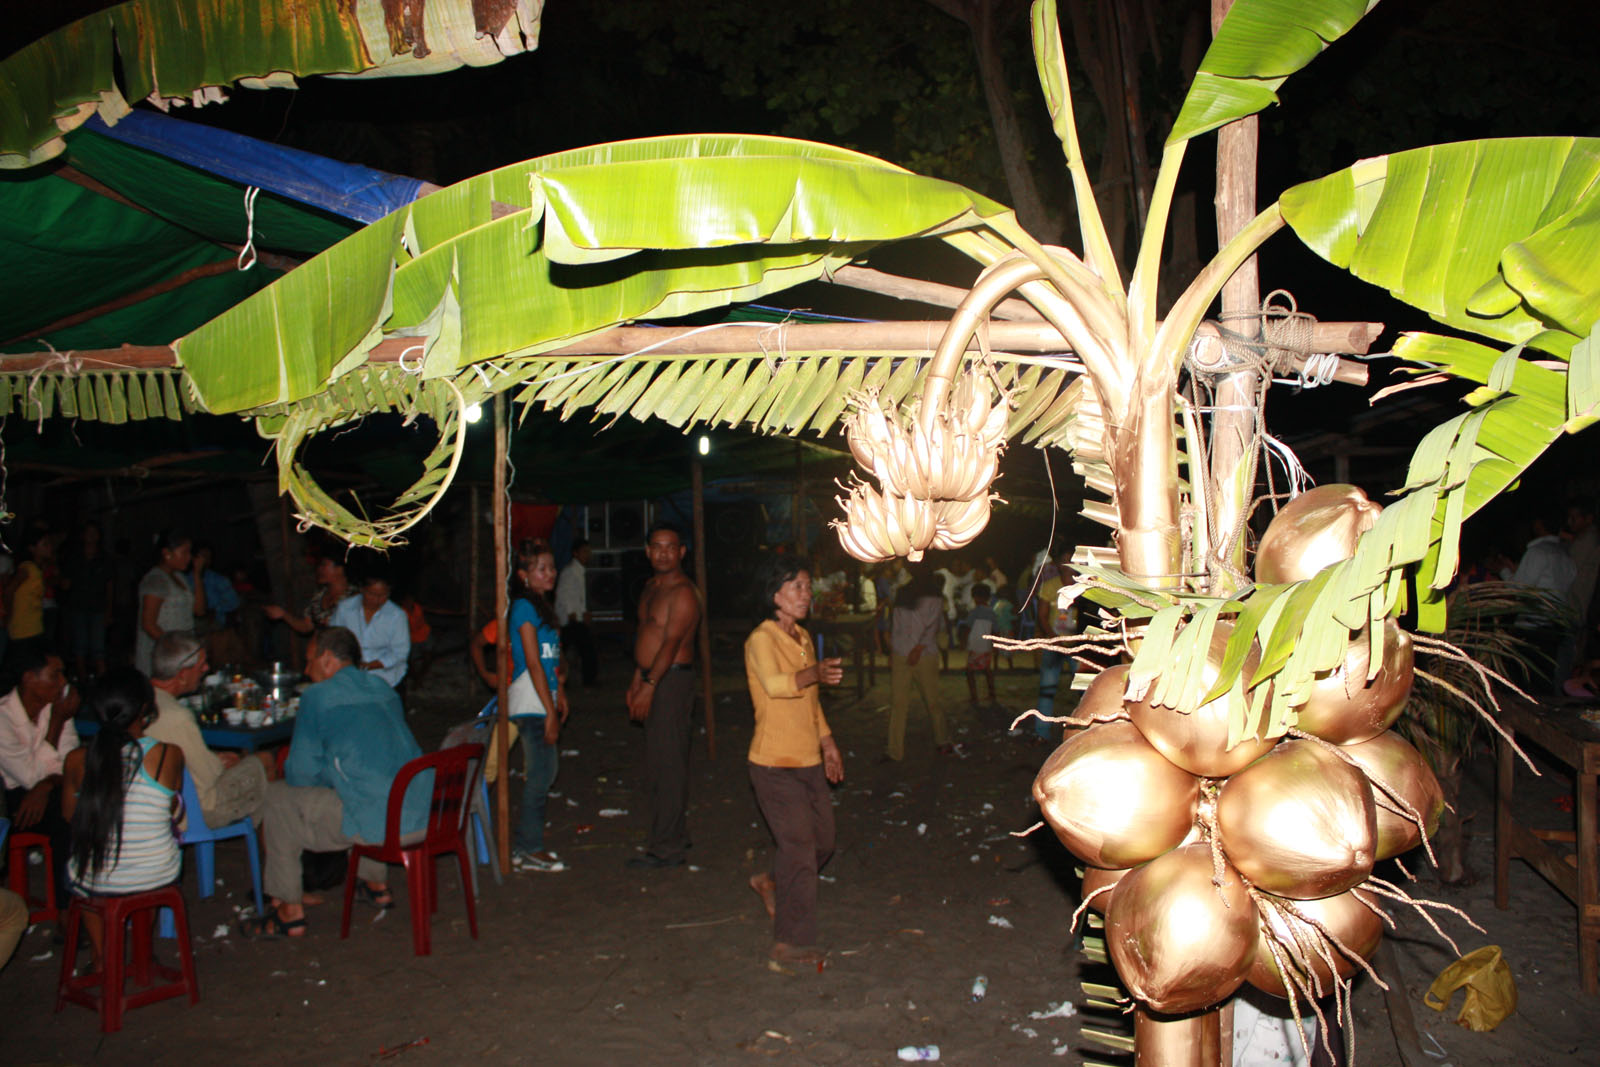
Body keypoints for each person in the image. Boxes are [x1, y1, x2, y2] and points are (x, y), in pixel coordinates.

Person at [242, 627, 425, 939]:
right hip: (423, 812)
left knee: (276, 798)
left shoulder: (317, 696)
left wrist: (327, 771)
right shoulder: (384, 690)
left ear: (327, 660)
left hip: (385, 825)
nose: (305, 669)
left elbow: (300, 773)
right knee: (362, 787)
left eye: (310, 660)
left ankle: (289, 912)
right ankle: (375, 884)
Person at [743, 555, 844, 966]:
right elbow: (778, 685)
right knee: (800, 848)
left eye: (807, 586)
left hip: (807, 761)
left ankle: (772, 882)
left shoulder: (802, 637)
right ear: (775, 593)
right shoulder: (761, 639)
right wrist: (813, 674)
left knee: (824, 842)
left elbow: (809, 701)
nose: (807, 594)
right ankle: (789, 943)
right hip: (772, 763)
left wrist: (828, 743)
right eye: (798, 586)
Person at [61, 669, 184, 973]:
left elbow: (68, 816)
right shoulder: (167, 754)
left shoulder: (78, 759)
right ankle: (143, 950)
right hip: (155, 872)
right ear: (144, 708)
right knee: (156, 845)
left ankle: (102, 958)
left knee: (84, 864)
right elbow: (173, 810)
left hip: (97, 880)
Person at [624, 523, 701, 869]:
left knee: (667, 764)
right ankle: (675, 834)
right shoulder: (651, 588)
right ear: (647, 551)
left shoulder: (683, 593)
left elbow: (670, 644)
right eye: (657, 546)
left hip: (670, 682)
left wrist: (651, 685)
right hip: (653, 677)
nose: (664, 553)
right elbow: (646, 636)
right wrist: (636, 679)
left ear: (682, 552)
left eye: (671, 547)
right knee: (660, 762)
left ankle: (666, 848)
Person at [144, 632, 275, 828]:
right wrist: (222, 762)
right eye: (201, 666)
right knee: (264, 760)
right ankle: (266, 847)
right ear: (182, 675)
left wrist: (215, 757)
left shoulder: (139, 699)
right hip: (190, 809)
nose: (206, 669)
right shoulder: (176, 716)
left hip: (152, 799)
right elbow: (208, 774)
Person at [0, 648, 81, 912]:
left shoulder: (53, 707)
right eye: (55, 675)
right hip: (9, 802)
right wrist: (57, 721)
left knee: (72, 810)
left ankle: (72, 904)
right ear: (29, 679)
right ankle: (66, 910)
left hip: (51, 790)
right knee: (67, 817)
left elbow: (70, 763)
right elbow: (28, 775)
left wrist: (46, 785)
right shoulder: (3, 717)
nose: (63, 683)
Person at [506, 540, 570, 872]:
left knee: (543, 773)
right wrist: (549, 712)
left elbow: (548, 661)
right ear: (523, 575)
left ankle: (523, 848)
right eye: (541, 569)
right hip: (530, 698)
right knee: (541, 773)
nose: (550, 574)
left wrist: (560, 693)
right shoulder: (523, 608)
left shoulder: (542, 607)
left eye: (552, 567)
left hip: (542, 694)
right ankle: (529, 847)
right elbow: (531, 662)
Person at [886, 571, 949, 760]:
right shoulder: (907, 591)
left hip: (920, 653)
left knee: (930, 702)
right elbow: (898, 624)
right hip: (908, 652)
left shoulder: (926, 593)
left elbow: (932, 626)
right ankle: (894, 751)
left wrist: (915, 648)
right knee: (900, 704)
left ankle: (942, 740)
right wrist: (897, 649)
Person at [134, 531, 207, 677]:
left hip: (182, 649)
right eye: (184, 552)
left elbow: (199, 610)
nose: (189, 557)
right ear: (167, 553)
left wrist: (197, 575)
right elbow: (148, 624)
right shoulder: (155, 580)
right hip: (165, 653)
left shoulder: (181, 578)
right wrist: (173, 649)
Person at [1032, 547, 1081, 743]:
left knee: (1085, 690)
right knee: (1047, 689)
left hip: (1078, 646)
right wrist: (1055, 638)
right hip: (1054, 645)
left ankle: (1085, 731)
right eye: (1065, 560)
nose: (1068, 565)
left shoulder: (1083, 587)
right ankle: (1041, 732)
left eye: (1072, 560)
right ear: (1058, 565)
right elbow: (1042, 617)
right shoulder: (1050, 586)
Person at [329, 572, 410, 689]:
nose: (377, 600)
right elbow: (334, 637)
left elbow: (400, 652)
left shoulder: (397, 616)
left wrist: (368, 666)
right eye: (372, 594)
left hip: (386, 675)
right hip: (349, 670)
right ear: (362, 589)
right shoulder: (345, 608)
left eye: (383, 595)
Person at [59, 521, 113, 679]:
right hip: (77, 606)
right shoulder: (74, 557)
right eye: (88, 532)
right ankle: (82, 679)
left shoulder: (104, 558)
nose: (91, 536)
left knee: (98, 647)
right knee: (79, 646)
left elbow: (110, 585)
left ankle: (103, 680)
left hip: (98, 607)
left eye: (94, 532)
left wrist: (109, 610)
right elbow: (64, 581)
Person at [4, 528, 52, 678]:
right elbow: (9, 590)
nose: (49, 547)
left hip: (34, 627)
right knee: (27, 673)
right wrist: (8, 614)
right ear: (32, 548)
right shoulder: (26, 568)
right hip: (24, 630)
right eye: (44, 544)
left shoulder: (36, 569)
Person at [263, 554, 350, 636]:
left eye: (324, 565)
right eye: (320, 565)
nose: (319, 569)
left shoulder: (353, 596)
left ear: (339, 569)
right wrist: (283, 614)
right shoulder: (320, 596)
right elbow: (307, 626)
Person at [555, 539, 599, 687]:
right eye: (584, 551)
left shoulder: (579, 571)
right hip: (570, 618)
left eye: (588, 552)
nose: (588, 555)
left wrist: (584, 612)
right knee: (584, 649)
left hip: (576, 617)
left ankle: (583, 679)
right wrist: (572, 613)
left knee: (576, 648)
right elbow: (564, 594)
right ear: (575, 553)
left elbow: (579, 596)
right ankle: (587, 680)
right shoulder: (570, 571)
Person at [960, 583, 998, 707]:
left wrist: (963, 642)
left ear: (975, 597)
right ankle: (992, 694)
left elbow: (967, 628)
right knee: (987, 670)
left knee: (970, 671)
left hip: (976, 646)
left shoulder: (975, 612)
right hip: (986, 646)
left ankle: (974, 696)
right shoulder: (991, 612)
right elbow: (995, 630)